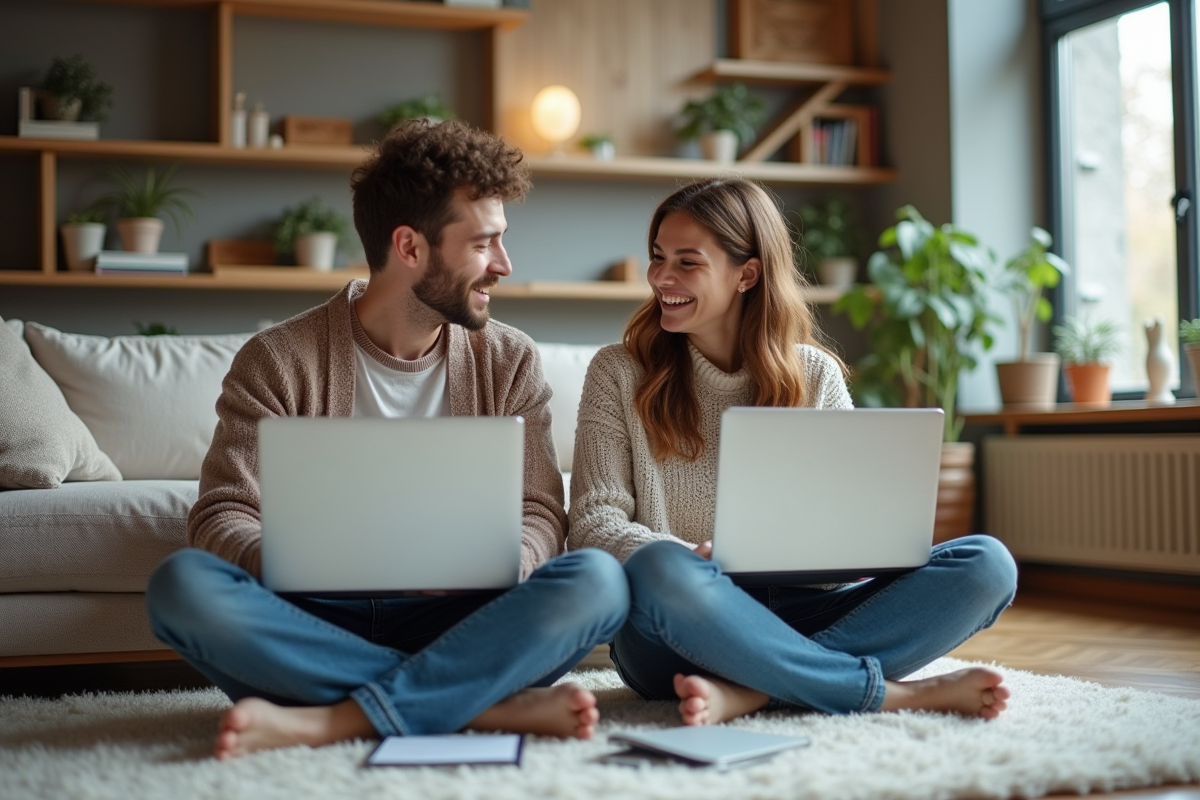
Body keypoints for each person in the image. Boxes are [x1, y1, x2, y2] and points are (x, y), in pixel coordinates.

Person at [146, 119, 629, 760]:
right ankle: (478, 702)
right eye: (484, 244)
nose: (505, 266)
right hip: (316, 614)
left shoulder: (509, 358)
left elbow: (539, 509)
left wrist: (503, 563)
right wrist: (289, 560)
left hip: (461, 618)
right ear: (409, 246)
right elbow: (221, 512)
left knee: (596, 580)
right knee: (182, 587)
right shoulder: (278, 359)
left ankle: (330, 720)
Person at [568, 177, 1018, 726]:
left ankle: (755, 691)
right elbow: (592, 524)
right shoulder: (618, 371)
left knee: (987, 565)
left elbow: (855, 527)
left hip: (807, 610)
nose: (661, 278)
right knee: (662, 567)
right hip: (680, 624)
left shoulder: (815, 373)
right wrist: (687, 555)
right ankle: (890, 694)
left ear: (747, 274)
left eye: (687, 262)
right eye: (658, 257)